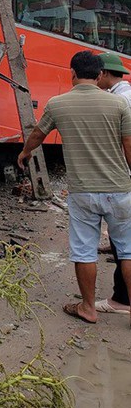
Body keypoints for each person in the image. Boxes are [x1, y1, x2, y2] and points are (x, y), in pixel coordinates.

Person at [17, 49, 131, 325]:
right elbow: (129, 147)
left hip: (82, 191)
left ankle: (88, 307)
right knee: (127, 250)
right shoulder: (119, 105)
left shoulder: (57, 104)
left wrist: (25, 153)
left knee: (84, 250)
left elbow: (37, 134)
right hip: (119, 188)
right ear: (100, 74)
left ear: (72, 74)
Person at [95, 52, 131, 315]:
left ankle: (122, 299)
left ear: (105, 74)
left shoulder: (117, 100)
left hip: (123, 175)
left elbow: (123, 142)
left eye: (98, 74)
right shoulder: (126, 94)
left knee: (127, 244)